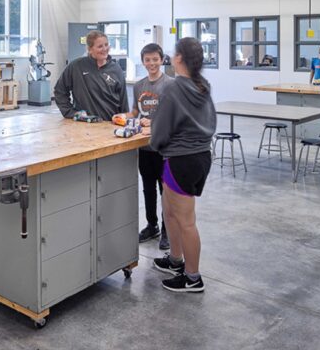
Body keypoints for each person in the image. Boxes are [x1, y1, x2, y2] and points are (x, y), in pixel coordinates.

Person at [150, 37, 216, 293]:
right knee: (170, 211)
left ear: (178, 58)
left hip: (180, 160)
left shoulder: (174, 89)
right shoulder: (202, 85)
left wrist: (156, 142)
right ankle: (175, 260)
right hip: (200, 156)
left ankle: (192, 277)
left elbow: (160, 132)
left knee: (186, 221)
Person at [111, 44, 173, 250]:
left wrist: (154, 121)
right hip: (144, 148)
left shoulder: (171, 85)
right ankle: (152, 225)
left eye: (155, 59)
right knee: (148, 189)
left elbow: (175, 116)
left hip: (164, 149)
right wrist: (123, 117)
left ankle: (168, 231)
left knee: (166, 192)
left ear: (162, 60)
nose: (152, 63)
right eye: (147, 60)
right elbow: (135, 112)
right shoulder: (139, 85)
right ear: (143, 61)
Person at [54, 30, 128, 121]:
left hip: (110, 125)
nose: (105, 49)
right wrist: (70, 112)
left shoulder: (116, 69)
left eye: (106, 44)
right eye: (100, 46)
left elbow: (123, 101)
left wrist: (124, 119)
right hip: (84, 125)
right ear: (89, 49)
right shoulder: (76, 67)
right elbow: (59, 91)